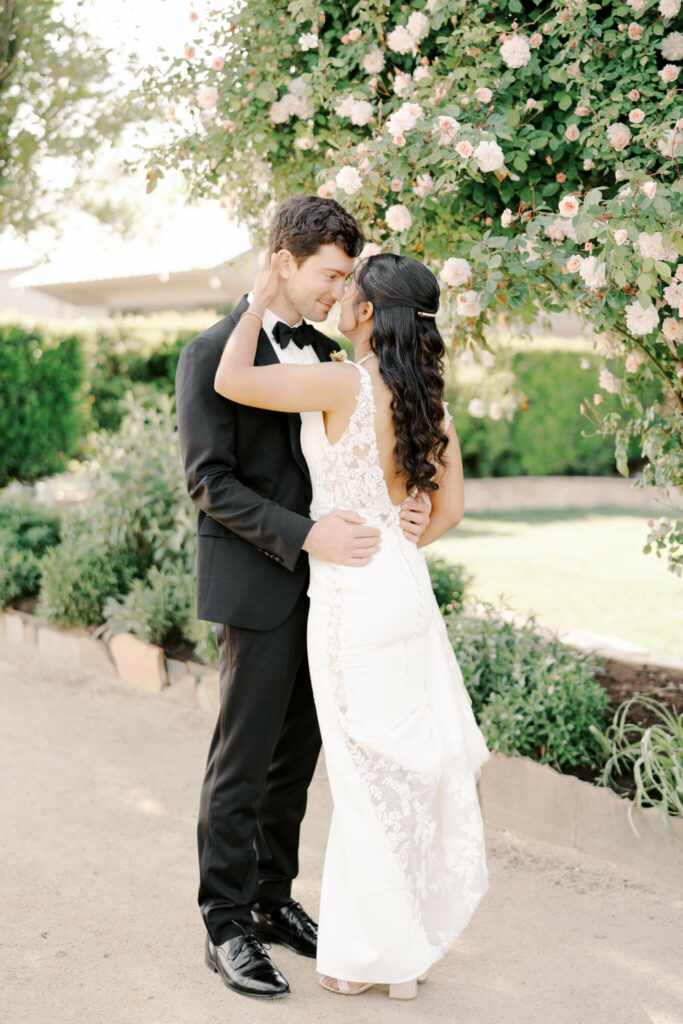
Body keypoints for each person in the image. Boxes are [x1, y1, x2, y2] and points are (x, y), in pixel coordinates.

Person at [214, 249, 490, 1000]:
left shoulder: (345, 382)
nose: (338, 299)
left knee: (365, 779)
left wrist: (257, 298)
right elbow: (450, 511)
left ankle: (366, 958)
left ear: (367, 312)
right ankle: (405, 953)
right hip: (403, 584)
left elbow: (232, 380)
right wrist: (404, 529)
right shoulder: (426, 398)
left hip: (352, 600)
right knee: (402, 768)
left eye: (349, 290)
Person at [175, 196, 431, 1001]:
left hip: (336, 596)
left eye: (346, 277)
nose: (338, 291)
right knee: (242, 762)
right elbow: (208, 482)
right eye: (328, 274)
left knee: (296, 761)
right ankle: (224, 924)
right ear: (282, 262)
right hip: (258, 582)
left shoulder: (328, 356)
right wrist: (306, 533)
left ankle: (271, 897)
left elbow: (367, 456)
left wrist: (408, 505)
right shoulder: (211, 351)